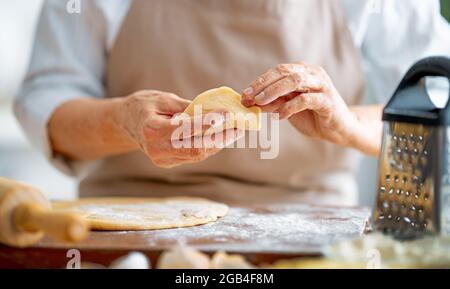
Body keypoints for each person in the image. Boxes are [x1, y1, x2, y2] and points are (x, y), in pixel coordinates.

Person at [15, 0, 450, 205]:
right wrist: (123, 122)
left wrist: (347, 125)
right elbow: (46, 102)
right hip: (130, 230)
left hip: (309, 233)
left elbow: (437, 108)